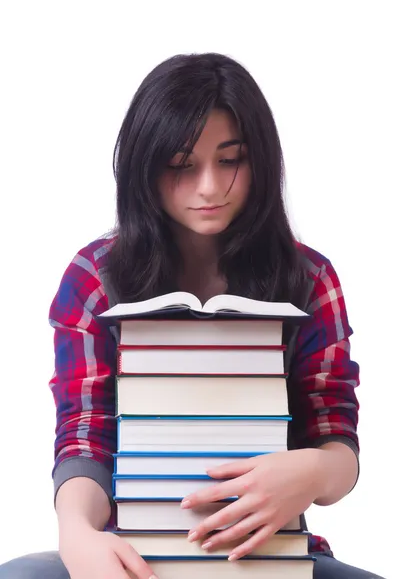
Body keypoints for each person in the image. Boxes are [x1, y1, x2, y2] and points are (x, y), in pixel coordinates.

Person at [0, 53, 384, 579]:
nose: (208, 187)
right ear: (145, 167)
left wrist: (316, 471)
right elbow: (83, 430)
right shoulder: (94, 275)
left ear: (261, 161)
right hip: (131, 551)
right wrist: (77, 534)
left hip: (275, 553)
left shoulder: (310, 277)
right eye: (182, 165)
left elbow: (336, 431)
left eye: (231, 160)